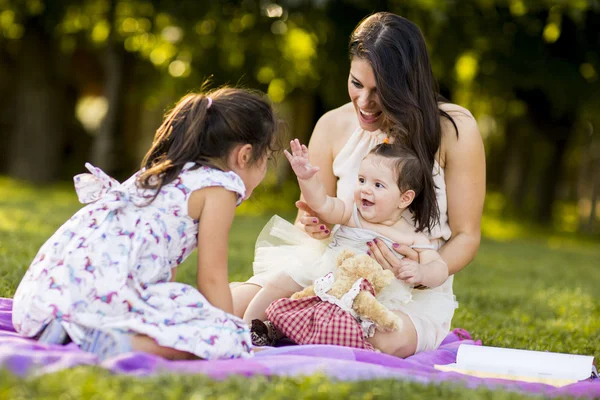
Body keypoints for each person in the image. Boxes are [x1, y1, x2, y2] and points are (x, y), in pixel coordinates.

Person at [232, 12, 485, 357]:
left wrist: (423, 272)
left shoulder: (454, 129)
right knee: (232, 306)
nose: (364, 103)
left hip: (408, 291)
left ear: (408, 86)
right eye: (356, 84)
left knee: (382, 339)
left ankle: (297, 333)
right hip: (327, 271)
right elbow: (311, 221)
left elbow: (467, 235)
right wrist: (313, 226)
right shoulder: (331, 125)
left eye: (380, 92)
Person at [11, 87, 281, 361]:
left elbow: (165, 273)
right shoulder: (220, 188)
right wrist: (231, 337)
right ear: (245, 156)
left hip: (46, 304)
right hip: (96, 303)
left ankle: (84, 332)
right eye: (267, 158)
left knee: (182, 311)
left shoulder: (164, 173)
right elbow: (211, 278)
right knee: (215, 341)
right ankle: (123, 344)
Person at [243, 139, 455, 328]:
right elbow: (322, 203)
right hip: (323, 273)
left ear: (404, 198)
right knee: (280, 282)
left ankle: (282, 331)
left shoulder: (412, 237)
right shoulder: (351, 213)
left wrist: (422, 272)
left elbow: (439, 268)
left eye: (378, 185)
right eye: (362, 180)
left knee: (354, 322)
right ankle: (247, 328)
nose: (365, 189)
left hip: (363, 294)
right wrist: (306, 179)